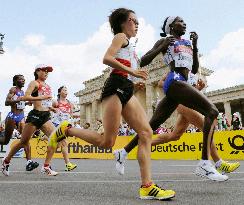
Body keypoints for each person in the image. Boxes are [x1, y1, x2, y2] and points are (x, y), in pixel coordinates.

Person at [48, 8, 175, 200]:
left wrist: (134, 82)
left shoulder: (130, 46)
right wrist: (132, 74)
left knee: (146, 133)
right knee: (107, 142)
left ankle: (147, 186)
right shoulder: (120, 36)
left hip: (126, 87)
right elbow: (107, 58)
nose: (137, 24)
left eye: (138, 21)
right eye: (133, 20)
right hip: (115, 87)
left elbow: (127, 68)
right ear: (123, 23)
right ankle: (67, 130)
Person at [114, 16, 227, 181]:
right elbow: (144, 61)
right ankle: (205, 163)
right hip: (174, 81)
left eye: (184, 21)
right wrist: (163, 45)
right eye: (180, 21)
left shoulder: (187, 44)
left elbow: (194, 69)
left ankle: (122, 152)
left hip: (181, 83)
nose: (184, 23)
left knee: (151, 126)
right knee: (212, 111)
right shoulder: (165, 40)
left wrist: (195, 47)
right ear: (171, 26)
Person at [114, 74, 240, 175]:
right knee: (205, 125)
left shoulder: (193, 70)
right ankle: (218, 162)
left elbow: (190, 91)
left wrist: (198, 89)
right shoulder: (179, 65)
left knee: (175, 135)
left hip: (189, 102)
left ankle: (144, 142)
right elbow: (161, 83)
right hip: (182, 103)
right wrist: (176, 90)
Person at [1, 64, 60, 176]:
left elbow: (41, 102)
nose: (46, 73)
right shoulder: (34, 83)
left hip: (45, 116)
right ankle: (6, 161)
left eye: (48, 71)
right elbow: (26, 96)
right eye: (44, 70)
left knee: (55, 138)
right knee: (23, 142)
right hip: (35, 116)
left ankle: (46, 166)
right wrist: (41, 98)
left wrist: (51, 108)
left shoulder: (47, 85)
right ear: (37, 72)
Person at [0, 74, 39, 171]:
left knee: (25, 139)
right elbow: (6, 102)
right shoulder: (13, 90)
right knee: (5, 141)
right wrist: (17, 100)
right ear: (15, 81)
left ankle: (29, 162)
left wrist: (26, 103)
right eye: (20, 79)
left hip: (21, 116)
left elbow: (20, 103)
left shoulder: (23, 92)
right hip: (12, 116)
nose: (23, 80)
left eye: (24, 79)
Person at [51, 86, 77, 171]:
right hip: (56, 124)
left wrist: (71, 124)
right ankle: (68, 164)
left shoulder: (70, 103)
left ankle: (48, 163)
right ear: (59, 92)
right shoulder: (55, 101)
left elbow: (71, 115)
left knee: (59, 144)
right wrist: (55, 110)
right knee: (64, 143)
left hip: (65, 125)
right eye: (64, 90)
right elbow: (49, 109)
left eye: (67, 90)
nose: (66, 92)